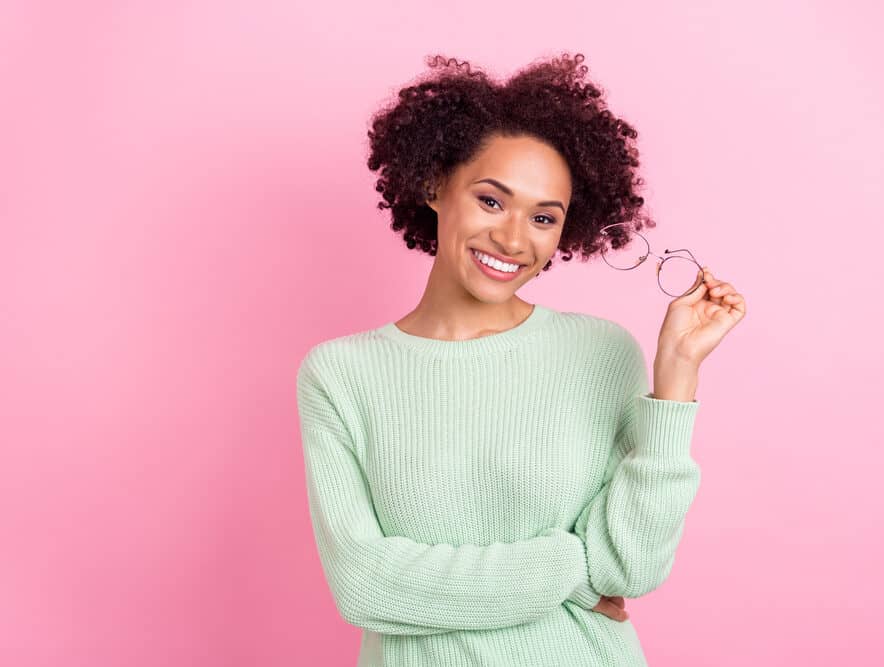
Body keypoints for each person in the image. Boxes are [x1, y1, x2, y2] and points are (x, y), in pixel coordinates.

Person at [296, 52, 746, 666]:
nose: (513, 239)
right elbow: (367, 586)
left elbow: (629, 567)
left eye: (543, 217)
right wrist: (569, 563)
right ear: (434, 186)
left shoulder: (601, 353)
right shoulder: (341, 375)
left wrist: (676, 379)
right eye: (490, 201)